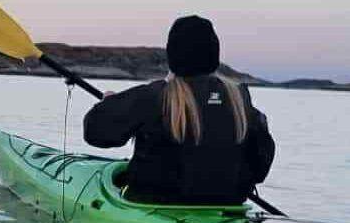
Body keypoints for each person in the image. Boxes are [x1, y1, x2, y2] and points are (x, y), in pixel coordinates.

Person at [83, 15, 274, 205]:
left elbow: (95, 132)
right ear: (214, 54)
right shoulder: (239, 99)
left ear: (172, 55)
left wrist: (109, 104)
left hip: (156, 205)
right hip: (227, 206)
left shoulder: (156, 96)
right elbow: (260, 168)